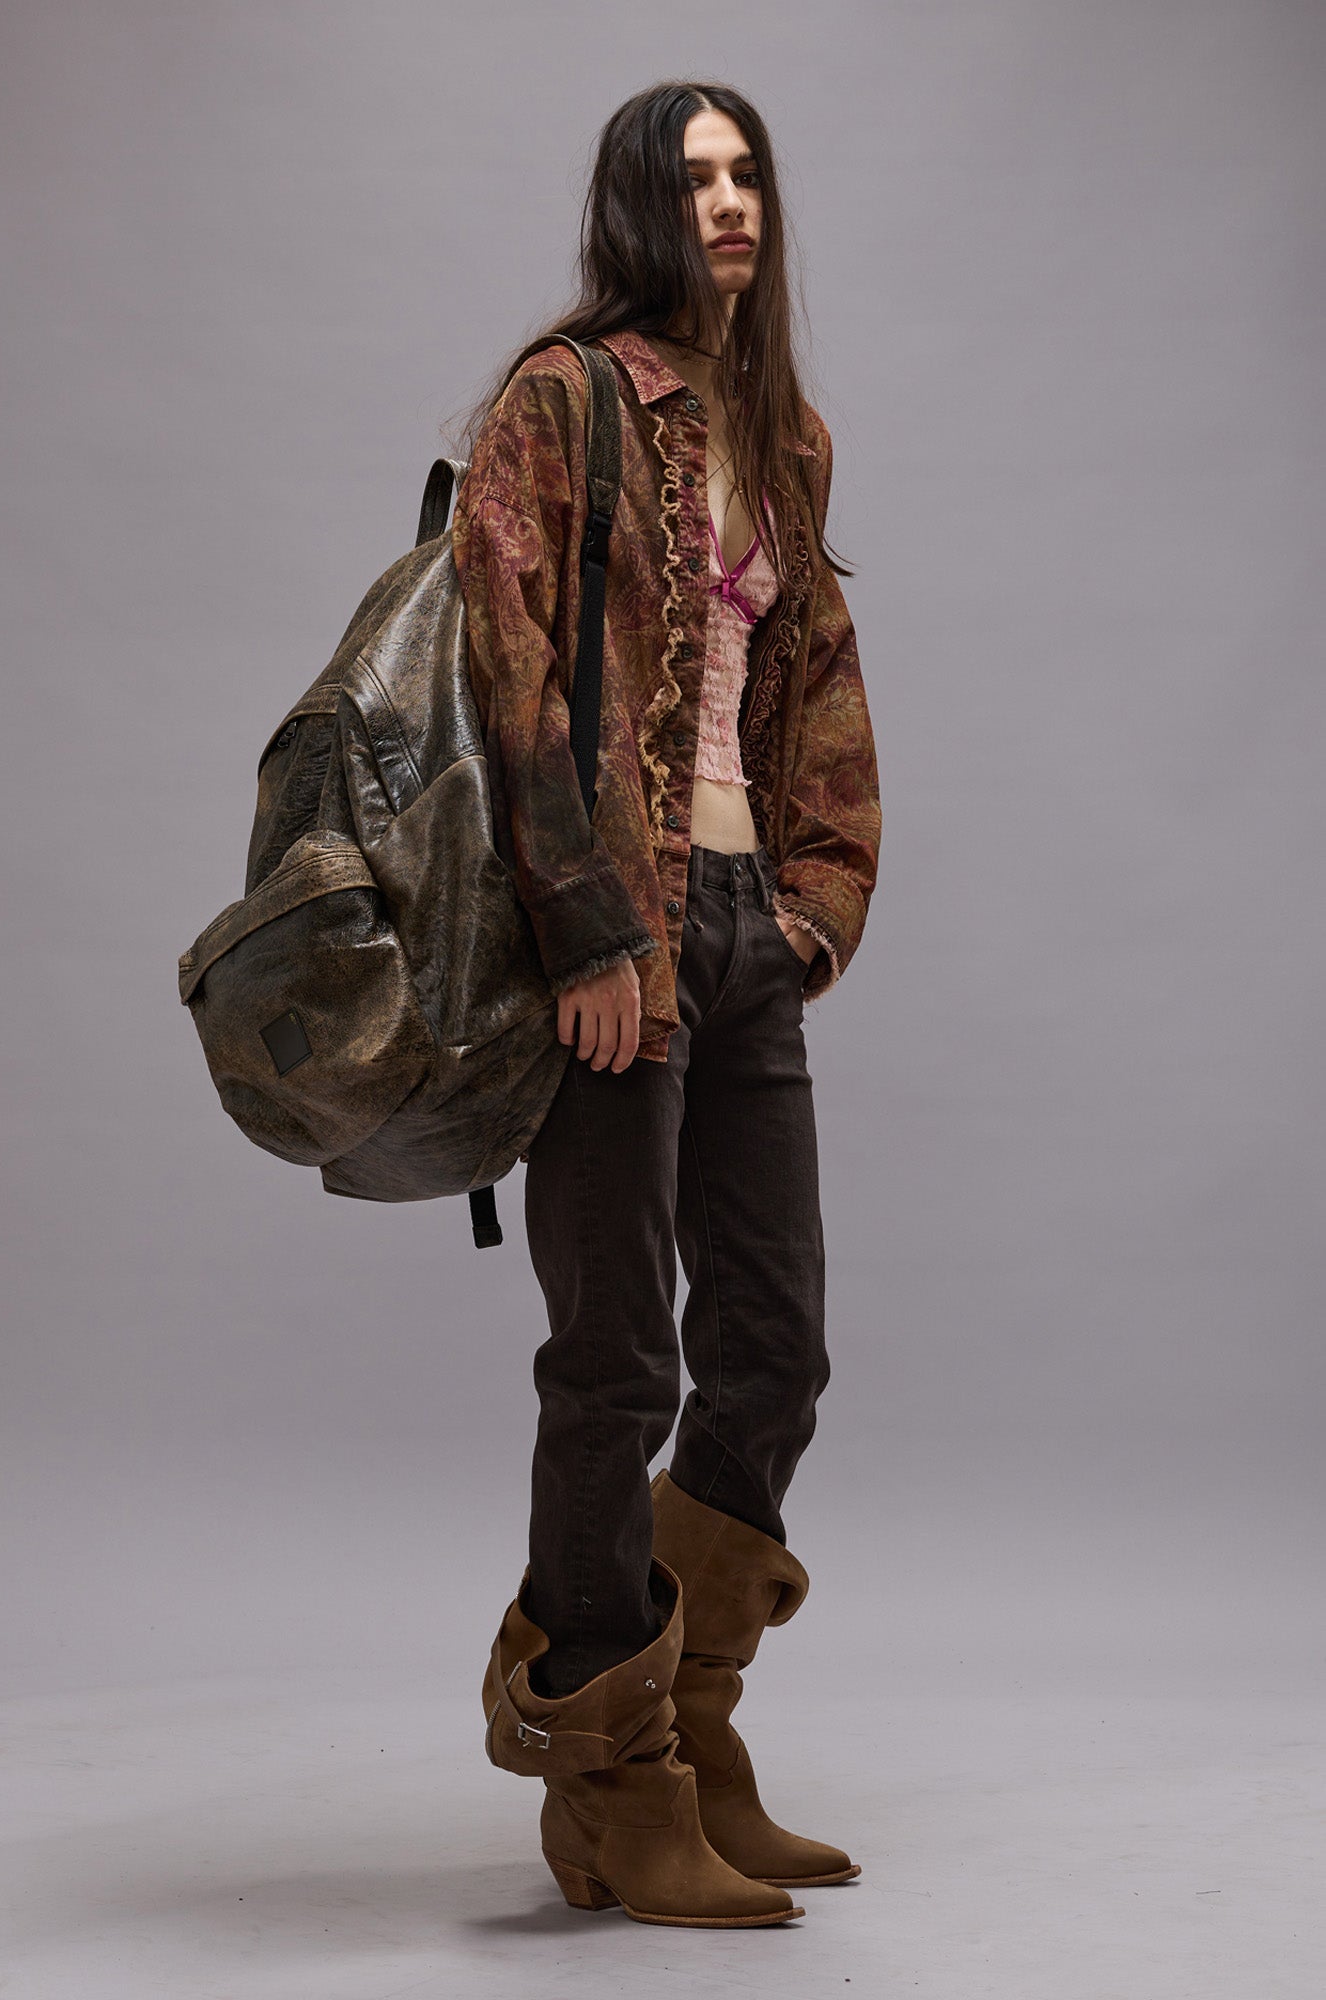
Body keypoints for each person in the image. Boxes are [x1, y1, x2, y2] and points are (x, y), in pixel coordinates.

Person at [449, 78, 882, 1930]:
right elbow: (508, 667)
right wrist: (582, 934)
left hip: (739, 928)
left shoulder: (784, 433)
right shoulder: (560, 400)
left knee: (772, 1347)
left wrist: (811, 909)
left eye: (747, 170)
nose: (729, 202)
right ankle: (607, 1780)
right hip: (609, 934)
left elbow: (819, 676)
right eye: (693, 176)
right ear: (639, 203)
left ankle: (693, 1729)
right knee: (618, 1360)